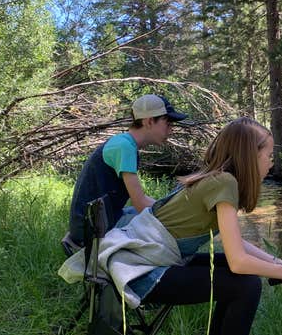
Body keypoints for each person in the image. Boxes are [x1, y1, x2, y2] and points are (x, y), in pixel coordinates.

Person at [138, 117, 282, 335]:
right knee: (246, 285)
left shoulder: (216, 178)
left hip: (154, 261)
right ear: (250, 156)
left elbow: (237, 245)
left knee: (242, 278)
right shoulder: (224, 182)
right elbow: (239, 261)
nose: (271, 163)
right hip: (143, 272)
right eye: (268, 155)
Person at [62, 93, 188, 251]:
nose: (171, 129)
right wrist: (178, 215)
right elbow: (140, 202)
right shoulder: (125, 147)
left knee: (151, 215)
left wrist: (166, 207)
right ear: (149, 121)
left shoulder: (124, 143)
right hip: (93, 229)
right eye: (168, 123)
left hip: (94, 222)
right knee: (162, 226)